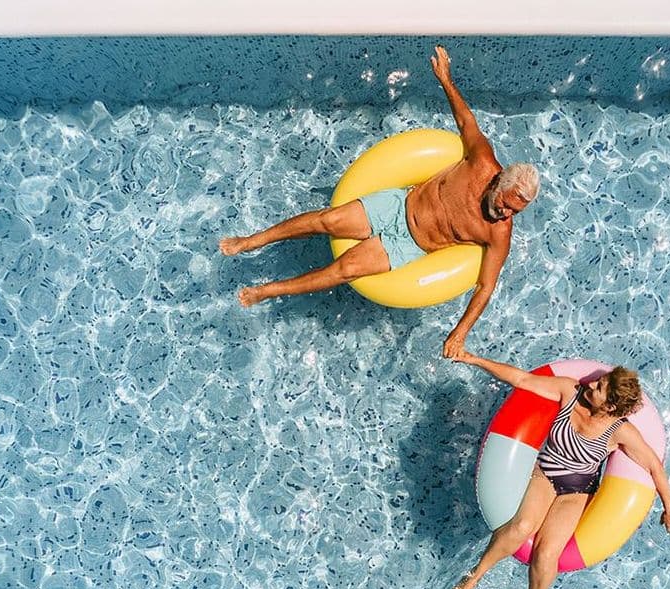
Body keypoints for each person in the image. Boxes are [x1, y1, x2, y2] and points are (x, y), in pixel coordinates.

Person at [222, 45, 540, 358]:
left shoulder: (499, 233)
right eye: (506, 203)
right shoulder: (481, 161)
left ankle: (266, 291)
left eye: (515, 211)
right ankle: (252, 241)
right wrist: (445, 78)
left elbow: (485, 287)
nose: (506, 213)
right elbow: (466, 121)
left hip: (409, 245)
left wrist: (459, 332)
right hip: (397, 205)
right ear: (498, 181)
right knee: (327, 221)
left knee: (345, 269)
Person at [447, 350, 670, 589]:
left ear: (609, 406)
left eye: (599, 387)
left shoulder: (620, 431)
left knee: (546, 555)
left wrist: (669, 508)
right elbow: (521, 379)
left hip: (576, 490)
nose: (592, 383)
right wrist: (473, 359)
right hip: (545, 474)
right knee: (521, 527)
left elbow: (653, 466)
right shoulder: (569, 391)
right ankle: (475, 575)